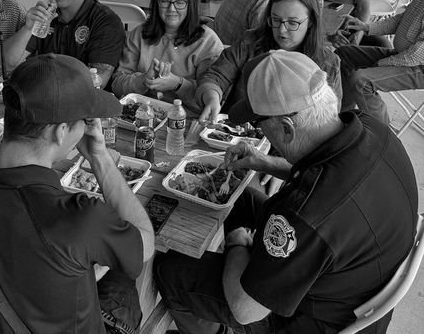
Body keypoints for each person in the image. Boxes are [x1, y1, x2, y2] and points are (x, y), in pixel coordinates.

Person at [155, 49, 418, 334]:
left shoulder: (306, 212)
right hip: (355, 274)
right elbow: (325, 172)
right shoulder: (374, 128)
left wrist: (237, 244)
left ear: (287, 128)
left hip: (309, 320)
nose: (260, 132)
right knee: (238, 199)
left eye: (260, 124)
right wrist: (263, 161)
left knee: (171, 269)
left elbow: (245, 310)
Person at [0, 54, 155, 333]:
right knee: (125, 282)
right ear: (61, 131)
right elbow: (145, 245)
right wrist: (100, 158)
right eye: (84, 120)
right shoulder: (80, 218)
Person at [198, 0, 342, 123]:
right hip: (239, 131)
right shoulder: (252, 42)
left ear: (311, 21)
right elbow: (217, 74)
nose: (281, 30)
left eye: (293, 22)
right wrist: (212, 97)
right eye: (276, 20)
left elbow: (329, 118)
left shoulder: (328, 64)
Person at [3, 0, 125, 89]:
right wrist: (27, 28)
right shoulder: (45, 15)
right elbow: (6, 64)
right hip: (45, 94)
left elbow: (97, 83)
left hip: (84, 103)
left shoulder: (106, 22)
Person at [334, 0, 424, 124]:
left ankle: (383, 138)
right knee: (345, 53)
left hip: (418, 67)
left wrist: (384, 63)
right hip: (405, 55)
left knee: (362, 80)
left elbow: (417, 55)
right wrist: (366, 27)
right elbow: (402, 20)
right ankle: (345, 114)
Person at [111, 0, 224, 115]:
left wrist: (177, 84)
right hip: (140, 118)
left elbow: (210, 100)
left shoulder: (207, 42)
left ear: (191, 5)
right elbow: (117, 84)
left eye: (180, 3)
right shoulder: (140, 34)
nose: (171, 9)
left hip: (185, 122)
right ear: (156, 2)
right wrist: (143, 80)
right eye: (164, 1)